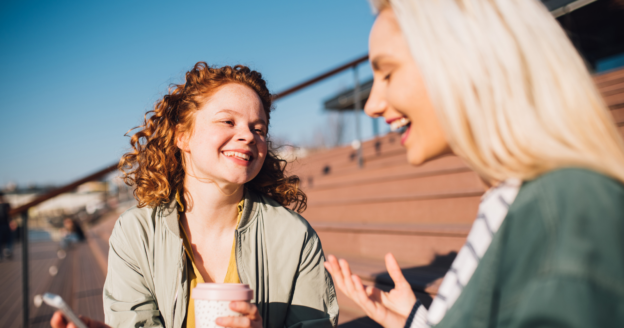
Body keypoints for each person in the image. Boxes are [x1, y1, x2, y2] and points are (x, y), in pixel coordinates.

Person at [324, 1, 624, 327]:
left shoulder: (567, 213)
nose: (371, 104)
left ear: (464, 58)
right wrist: (416, 322)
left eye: (388, 72)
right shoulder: (519, 202)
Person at [51, 62, 338, 328]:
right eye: (228, 121)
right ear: (182, 136)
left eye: (258, 128)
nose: (249, 136)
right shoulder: (135, 234)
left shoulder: (294, 236)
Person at [0, 192, 16, 260]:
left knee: (9, 238)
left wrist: (12, 222)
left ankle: (8, 251)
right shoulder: (7, 205)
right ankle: (5, 253)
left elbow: (10, 215)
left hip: (6, 224)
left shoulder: (7, 205)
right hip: (2, 224)